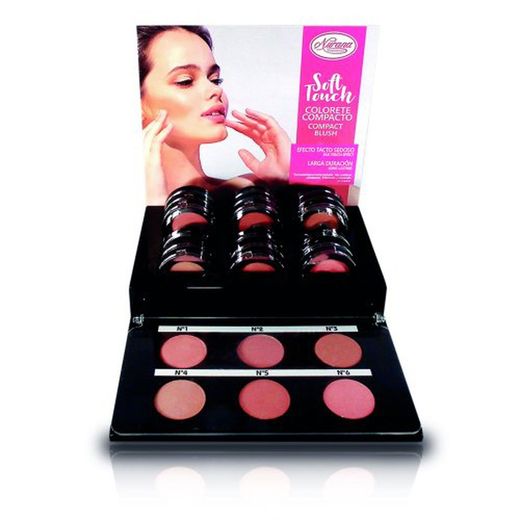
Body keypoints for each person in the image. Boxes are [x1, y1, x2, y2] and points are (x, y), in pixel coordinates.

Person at [138, 25, 291, 204]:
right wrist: (154, 206)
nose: (216, 90)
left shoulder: (245, 193)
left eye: (215, 79)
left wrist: (285, 183)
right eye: (185, 81)